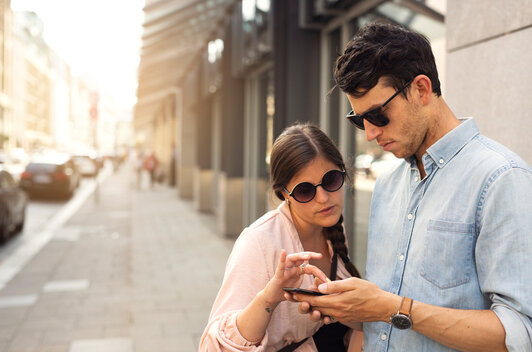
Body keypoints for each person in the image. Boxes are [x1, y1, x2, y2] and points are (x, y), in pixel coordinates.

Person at [290, 21, 532, 351]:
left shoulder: (501, 179)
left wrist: (393, 308)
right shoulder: (387, 186)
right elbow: (386, 318)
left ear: (421, 89)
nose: (370, 134)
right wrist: (348, 307)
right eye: (359, 120)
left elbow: (520, 332)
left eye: (377, 115)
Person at [200, 123, 363, 352]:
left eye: (331, 180)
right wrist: (269, 298)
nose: (324, 198)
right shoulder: (259, 242)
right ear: (284, 194)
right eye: (305, 191)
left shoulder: (333, 226)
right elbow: (215, 347)